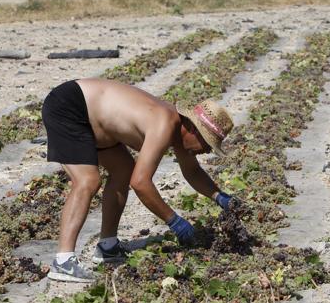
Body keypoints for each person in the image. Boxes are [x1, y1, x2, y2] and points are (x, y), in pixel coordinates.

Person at [41, 78, 237, 283]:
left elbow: (192, 172)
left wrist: (221, 197)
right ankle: (63, 261)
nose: (206, 150)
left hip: (98, 124)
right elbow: (141, 183)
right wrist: (174, 221)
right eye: (207, 144)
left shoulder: (181, 133)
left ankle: (107, 247)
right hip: (71, 106)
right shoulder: (164, 124)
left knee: (123, 170)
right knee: (88, 181)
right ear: (194, 130)